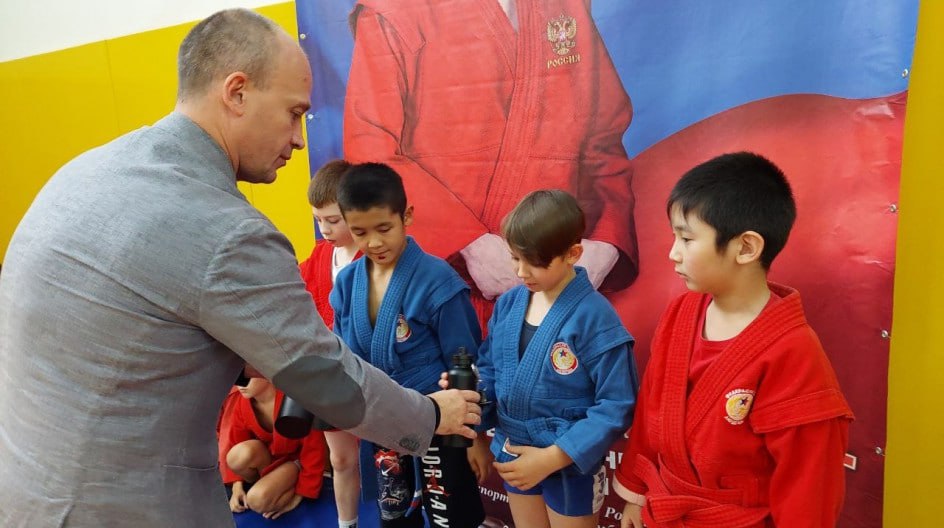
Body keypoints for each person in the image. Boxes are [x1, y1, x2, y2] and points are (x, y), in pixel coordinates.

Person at [0, 9, 480, 527]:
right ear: (237, 92)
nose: (299, 139)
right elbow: (326, 378)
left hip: (26, 489)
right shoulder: (227, 231)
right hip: (124, 506)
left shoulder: (83, 172)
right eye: (293, 113)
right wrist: (432, 415)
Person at [343, 0, 639, 327]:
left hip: (553, 292)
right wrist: (468, 243)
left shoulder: (567, 6)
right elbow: (371, 154)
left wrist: (606, 244)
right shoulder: (392, 12)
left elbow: (603, 138)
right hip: (440, 290)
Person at [614, 152, 855, 528]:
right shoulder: (680, 314)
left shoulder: (795, 354)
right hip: (666, 508)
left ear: (745, 248)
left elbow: (809, 487)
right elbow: (651, 411)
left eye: (687, 238)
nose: (673, 253)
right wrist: (637, 493)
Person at [463, 189, 639, 528]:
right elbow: (488, 370)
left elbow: (617, 403)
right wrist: (475, 425)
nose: (522, 272)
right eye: (515, 258)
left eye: (536, 262)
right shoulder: (509, 304)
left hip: (568, 459)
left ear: (573, 254)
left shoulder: (595, 317)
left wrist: (553, 458)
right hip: (514, 447)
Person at [330, 162, 487, 527]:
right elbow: (343, 354)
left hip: (442, 417)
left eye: (384, 228)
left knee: (451, 517)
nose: (373, 242)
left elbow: (466, 361)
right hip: (384, 417)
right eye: (360, 232)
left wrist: (476, 436)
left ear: (407, 216)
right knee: (394, 515)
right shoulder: (348, 283)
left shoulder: (437, 280)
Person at [297, 159, 362, 528]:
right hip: (331, 377)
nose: (324, 229)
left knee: (393, 458)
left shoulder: (375, 258)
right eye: (318, 220)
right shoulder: (321, 256)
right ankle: (346, 522)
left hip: (372, 373)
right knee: (340, 459)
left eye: (333, 220)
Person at [219, 377, 327, 519]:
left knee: (256, 501)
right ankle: (270, 484)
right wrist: (236, 487)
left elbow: (314, 449)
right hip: (269, 458)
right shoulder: (242, 401)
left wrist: (300, 494)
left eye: (247, 377)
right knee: (236, 456)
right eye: (237, 377)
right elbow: (236, 440)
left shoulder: (294, 400)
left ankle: (282, 485)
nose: (240, 384)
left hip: (295, 462)